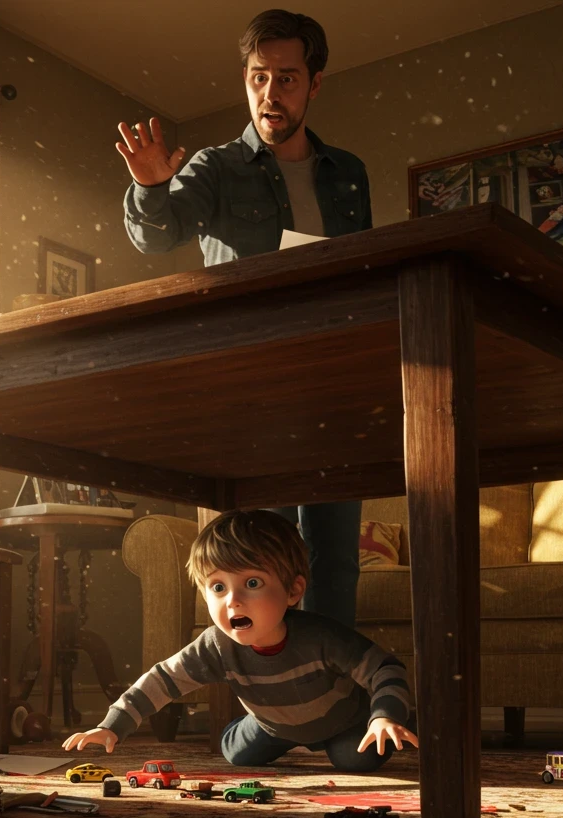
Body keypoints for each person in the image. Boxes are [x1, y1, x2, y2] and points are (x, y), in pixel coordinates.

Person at [116, 9, 370, 629]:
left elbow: (365, 273)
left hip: (333, 379)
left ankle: (335, 704)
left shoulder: (348, 175)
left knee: (335, 559)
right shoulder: (216, 167)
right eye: (258, 77)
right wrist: (151, 187)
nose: (270, 93)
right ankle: (275, 717)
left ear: (315, 84)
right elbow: (160, 234)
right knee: (263, 556)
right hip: (255, 384)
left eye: (287, 78)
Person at [63, 510, 418, 771]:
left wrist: (385, 716)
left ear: (293, 591)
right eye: (218, 587)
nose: (232, 600)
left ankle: (398, 723)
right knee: (235, 755)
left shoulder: (321, 635)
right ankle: (252, 729)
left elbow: (385, 668)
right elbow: (161, 680)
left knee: (359, 760)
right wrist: (111, 726)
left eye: (252, 584)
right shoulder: (215, 645)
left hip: (342, 722)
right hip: (271, 726)